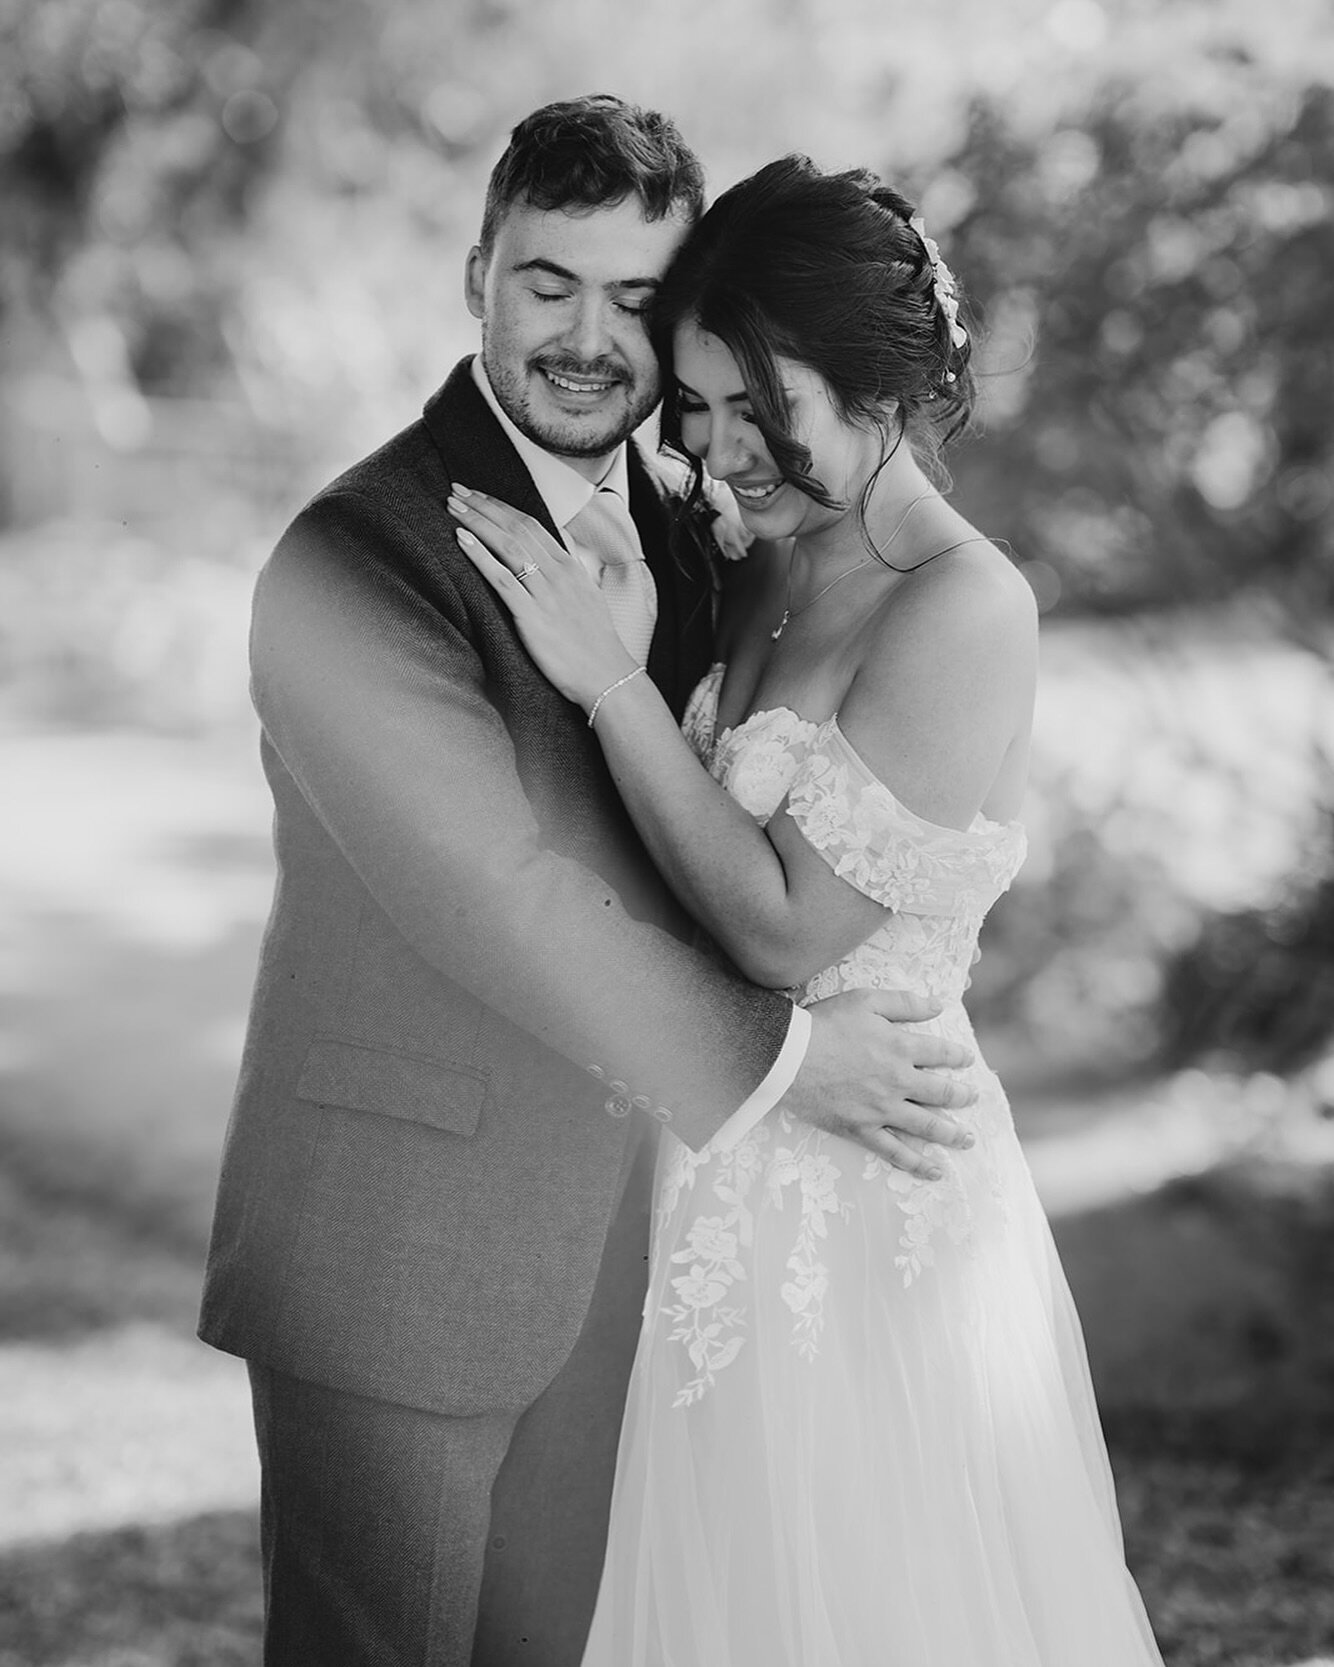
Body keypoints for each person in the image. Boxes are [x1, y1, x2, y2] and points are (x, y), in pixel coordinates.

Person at [197, 99, 981, 1667]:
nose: (586, 338)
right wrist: (782, 1061)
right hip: (403, 1260)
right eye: (548, 283)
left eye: (635, 299)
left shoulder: (704, 544)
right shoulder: (353, 561)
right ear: (476, 274)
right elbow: (488, 894)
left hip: (641, 1259)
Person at [454, 154, 1168, 1665]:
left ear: (883, 390)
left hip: (867, 1211)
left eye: (758, 413)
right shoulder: (758, 559)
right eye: (698, 409)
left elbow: (783, 931)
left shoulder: (966, 609)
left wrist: (609, 689)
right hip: (705, 1157)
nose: (719, 454)